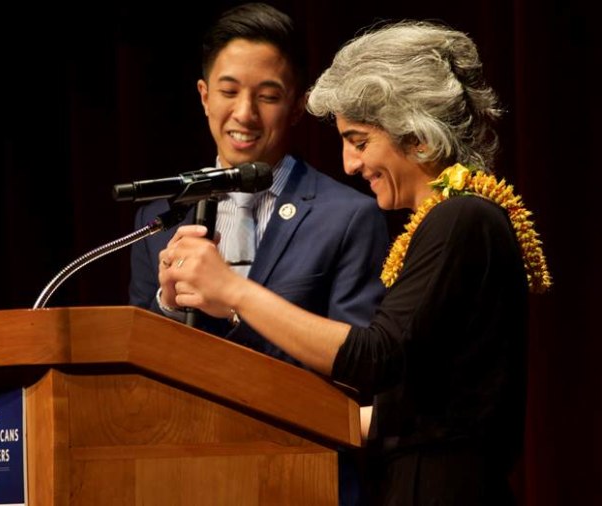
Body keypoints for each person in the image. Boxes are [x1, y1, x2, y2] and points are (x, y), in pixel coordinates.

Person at [159, 20, 552, 506]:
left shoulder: (462, 217)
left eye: (360, 140)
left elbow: (374, 356)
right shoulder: (455, 219)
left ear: (419, 136)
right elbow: (424, 404)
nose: (348, 164)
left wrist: (236, 291)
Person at [129, 3, 389, 367]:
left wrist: (233, 307)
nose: (245, 114)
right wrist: (168, 305)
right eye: (229, 92)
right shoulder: (158, 219)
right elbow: (136, 361)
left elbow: (357, 366)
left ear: (297, 107)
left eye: (267, 97)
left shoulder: (348, 217)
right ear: (204, 97)